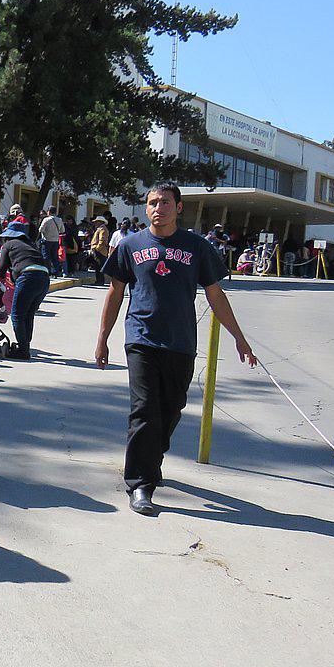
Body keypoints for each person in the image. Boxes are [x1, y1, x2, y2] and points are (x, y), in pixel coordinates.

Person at [95, 183, 255, 517]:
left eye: (165, 203)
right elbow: (114, 292)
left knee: (171, 409)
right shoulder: (129, 245)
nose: (158, 208)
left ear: (178, 207)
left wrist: (239, 337)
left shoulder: (197, 246)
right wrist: (103, 338)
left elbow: (215, 294)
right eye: (152, 203)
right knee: (144, 410)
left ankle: (152, 456)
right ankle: (141, 483)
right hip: (141, 338)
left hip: (180, 341)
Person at [0, 219, 50, 361]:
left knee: (17, 315)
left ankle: (23, 350)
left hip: (28, 276)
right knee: (28, 314)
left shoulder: (8, 245)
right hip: (44, 277)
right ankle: (24, 345)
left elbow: (1, 267)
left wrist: (1, 279)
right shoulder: (30, 245)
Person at [37, 207, 65, 275]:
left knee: (46, 257)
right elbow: (62, 230)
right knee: (55, 257)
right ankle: (56, 272)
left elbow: (41, 230)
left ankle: (48, 271)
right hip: (55, 241)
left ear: (49, 211)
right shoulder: (59, 220)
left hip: (46, 240)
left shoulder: (46, 219)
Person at [89, 217, 112, 286]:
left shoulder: (103, 229)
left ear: (101, 222)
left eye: (97, 221)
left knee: (99, 266)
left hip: (100, 251)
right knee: (97, 266)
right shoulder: (100, 229)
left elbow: (102, 240)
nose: (95, 223)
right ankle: (98, 280)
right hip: (99, 250)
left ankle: (100, 281)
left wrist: (97, 248)